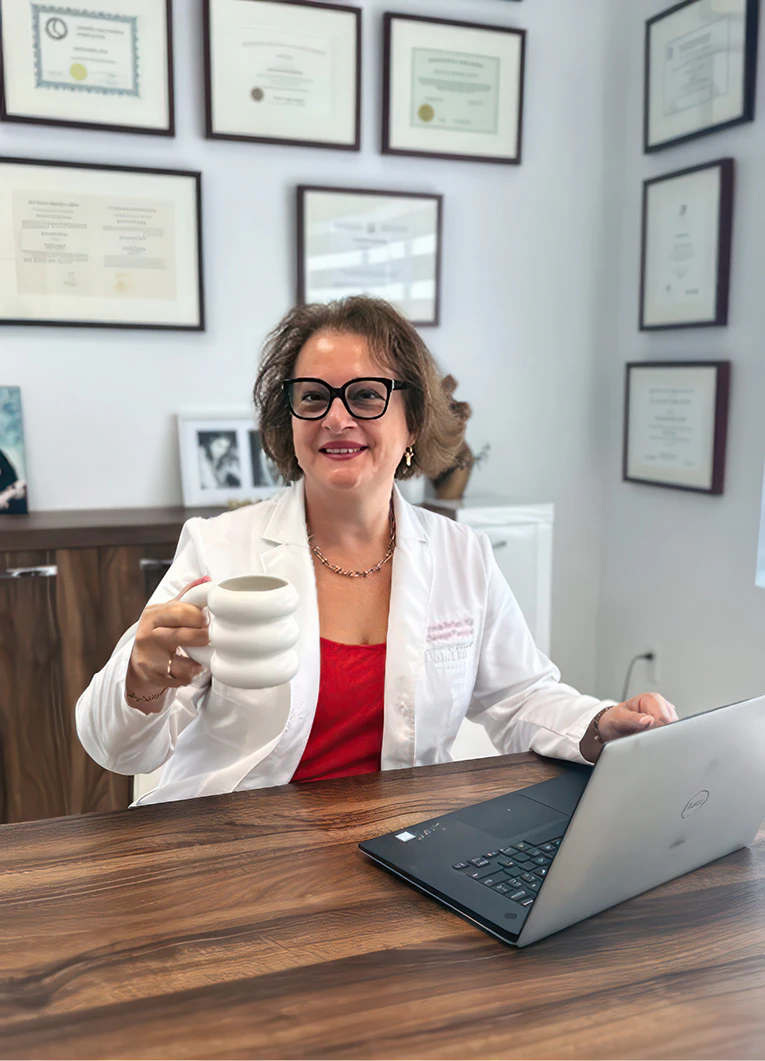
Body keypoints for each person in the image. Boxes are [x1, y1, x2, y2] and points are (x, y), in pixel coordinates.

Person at [76, 296, 677, 805]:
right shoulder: (219, 548)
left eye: (366, 396)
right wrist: (142, 679)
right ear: (289, 420)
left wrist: (602, 724)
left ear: (413, 421)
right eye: (313, 397)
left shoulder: (462, 555)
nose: (336, 418)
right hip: (241, 848)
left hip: (401, 847)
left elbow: (519, 696)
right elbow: (116, 748)